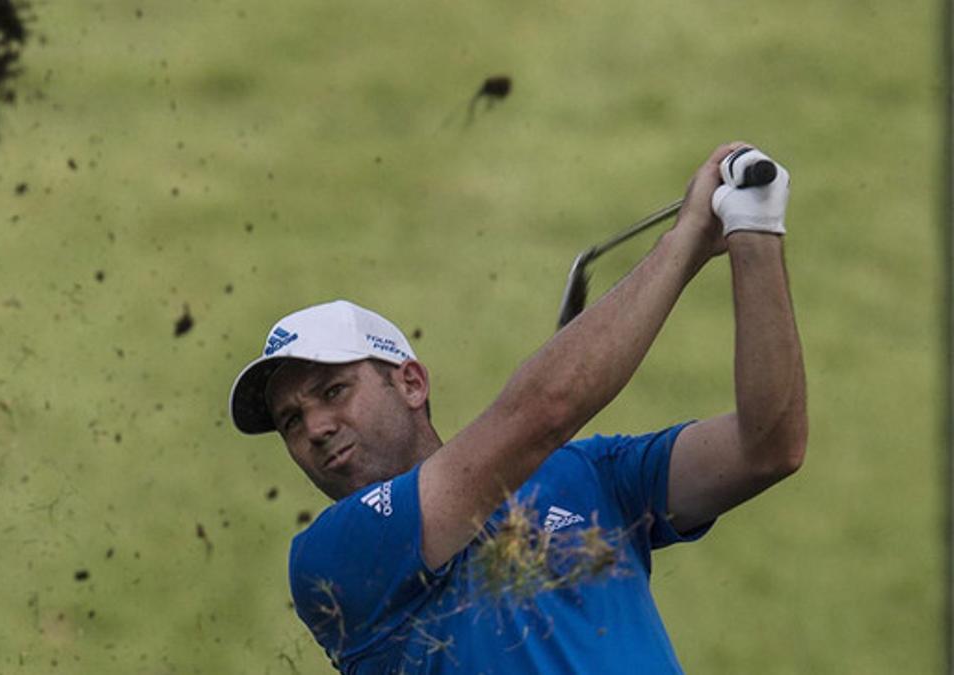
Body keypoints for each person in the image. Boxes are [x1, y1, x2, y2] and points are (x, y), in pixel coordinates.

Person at [228, 142, 807, 673]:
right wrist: (685, 240)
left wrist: (754, 230)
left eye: (333, 392)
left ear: (410, 383)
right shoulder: (333, 558)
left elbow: (768, 448)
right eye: (291, 421)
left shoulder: (590, 476)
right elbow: (545, 411)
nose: (317, 428)